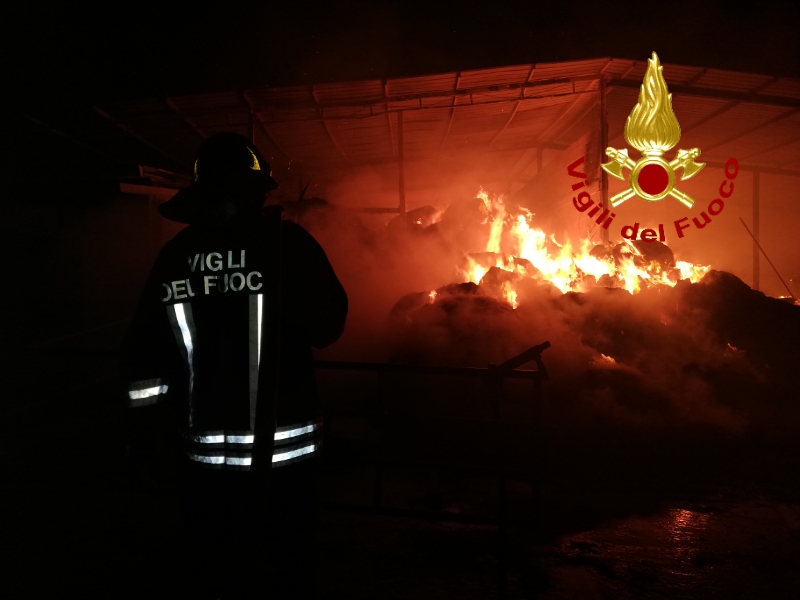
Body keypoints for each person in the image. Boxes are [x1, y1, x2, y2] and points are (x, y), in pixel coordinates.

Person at [121, 132, 348, 598]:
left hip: (203, 471)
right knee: (288, 575)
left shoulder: (175, 257)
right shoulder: (289, 247)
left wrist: (145, 440)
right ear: (258, 192)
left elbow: (144, 356)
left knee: (216, 574)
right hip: (287, 471)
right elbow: (329, 328)